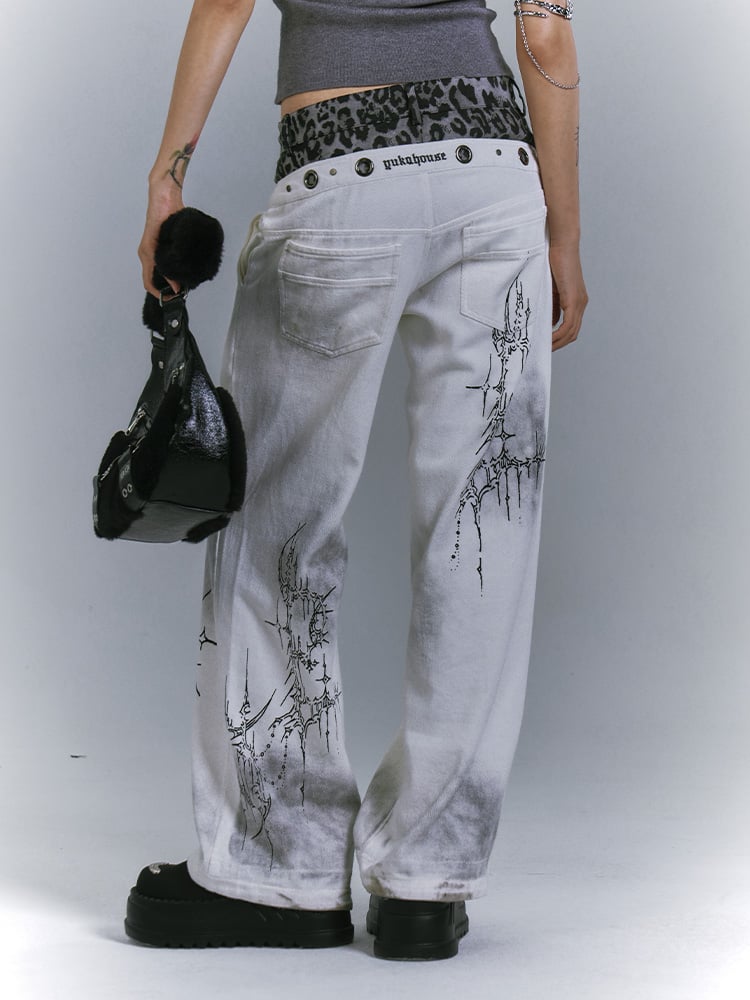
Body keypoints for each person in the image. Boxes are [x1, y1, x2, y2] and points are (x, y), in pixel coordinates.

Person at [126, 0, 588, 961]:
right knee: (483, 540)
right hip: (496, 182)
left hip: (341, 172)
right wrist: (563, 236)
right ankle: (429, 879)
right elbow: (544, 28)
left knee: (277, 534)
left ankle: (280, 872)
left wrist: (168, 176)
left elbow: (226, 0)